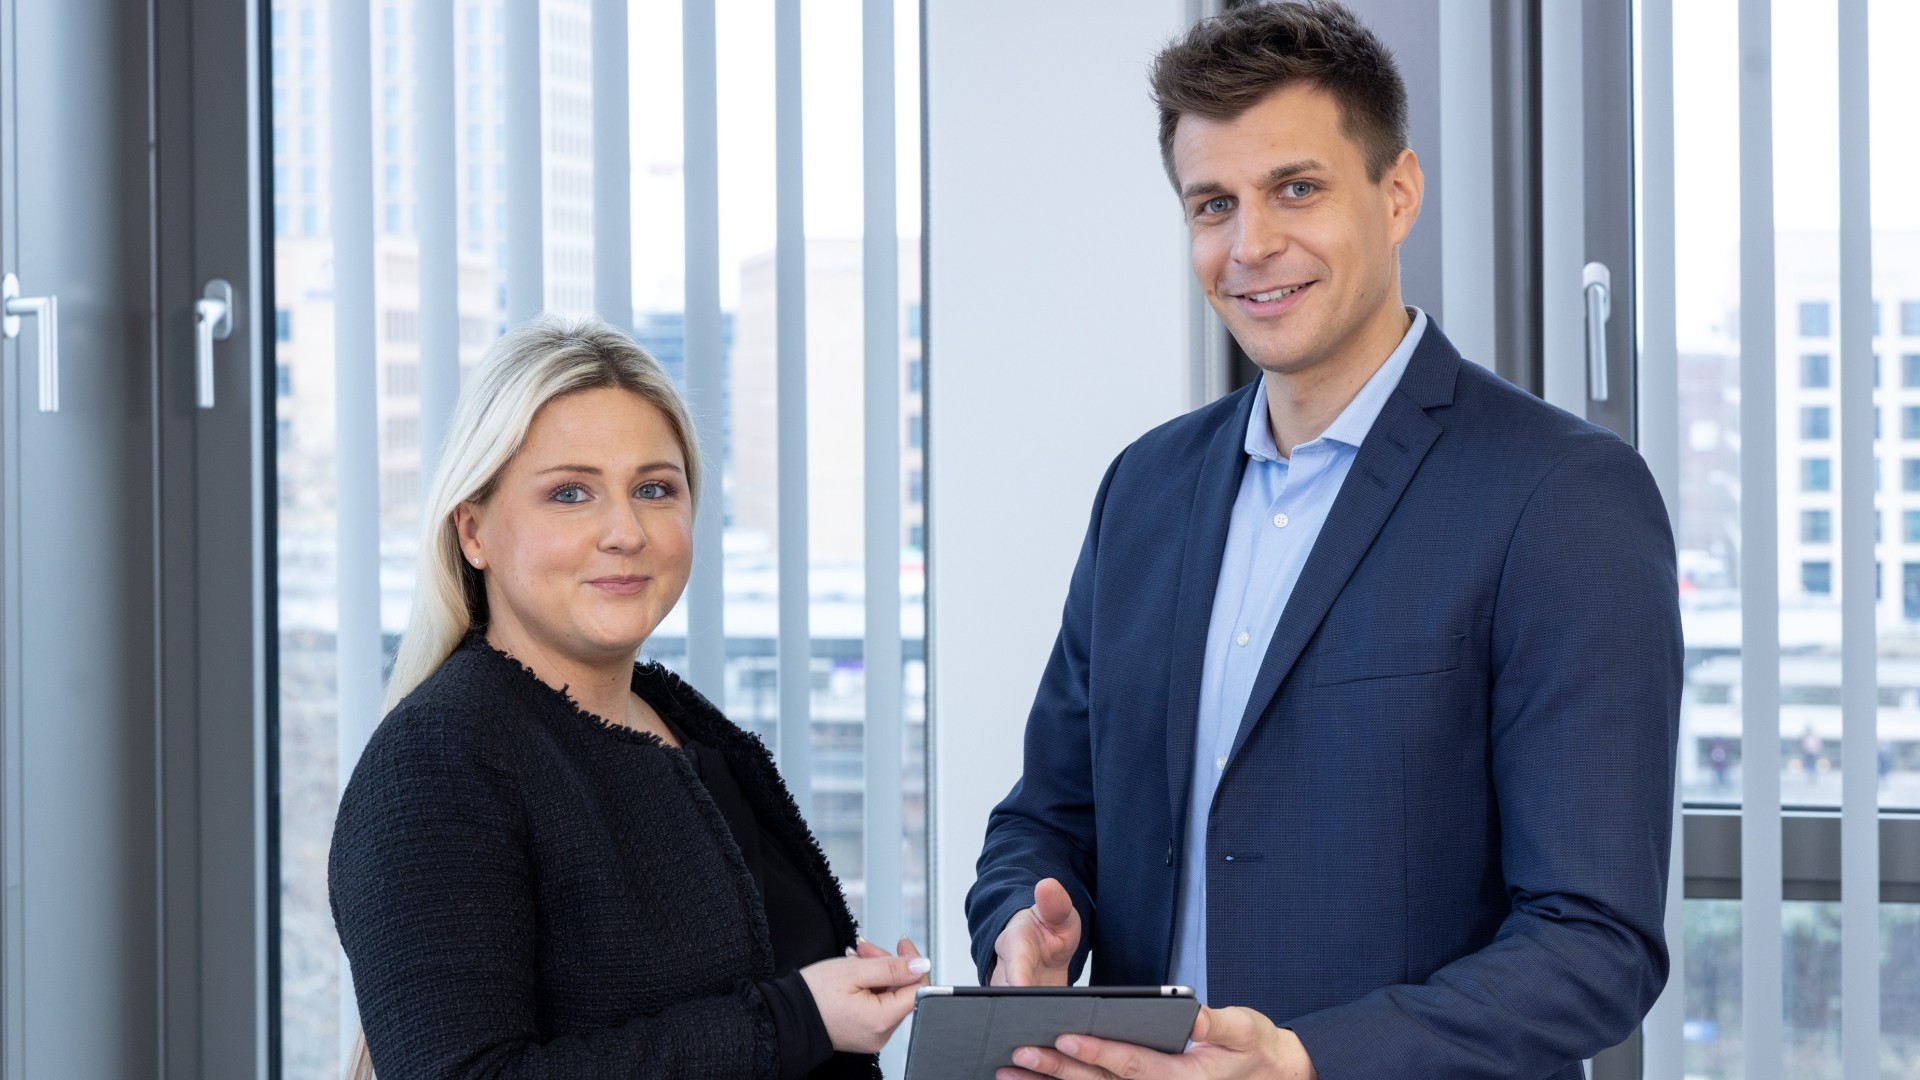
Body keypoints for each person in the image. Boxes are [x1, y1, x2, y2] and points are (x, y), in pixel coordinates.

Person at [966, 4, 1683, 1079]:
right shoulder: (1144, 491)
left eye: (1295, 188)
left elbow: (1594, 944)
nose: (1251, 246)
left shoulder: (1561, 496)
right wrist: (1026, 925)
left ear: (1397, 196)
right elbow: (1043, 815)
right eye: (1215, 204)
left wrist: (1307, 1061)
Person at [330, 315, 927, 1079]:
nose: (625, 531)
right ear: (473, 531)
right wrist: (795, 1018)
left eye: (654, 488)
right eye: (571, 493)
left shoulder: (685, 728)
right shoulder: (438, 760)